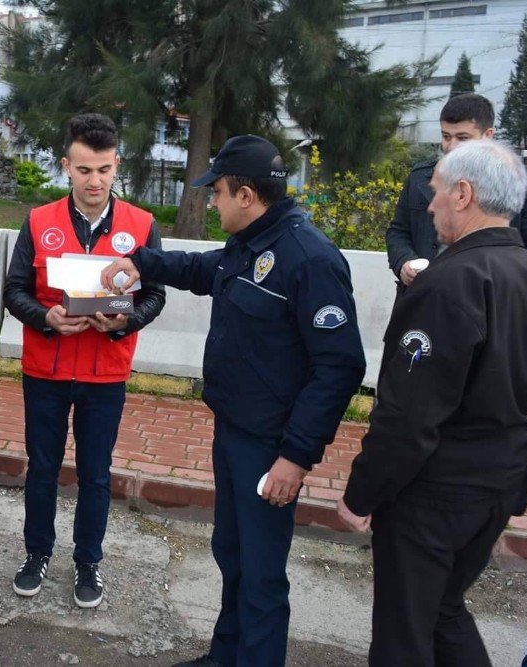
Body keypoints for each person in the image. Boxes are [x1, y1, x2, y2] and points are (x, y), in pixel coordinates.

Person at [102, 135, 366, 666]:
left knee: (263, 574)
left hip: (272, 447)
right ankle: (227, 656)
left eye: (217, 192)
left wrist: (295, 457)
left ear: (246, 195)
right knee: (233, 555)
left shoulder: (309, 258)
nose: (211, 202)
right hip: (235, 430)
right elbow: (205, 271)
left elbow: (341, 367)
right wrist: (141, 262)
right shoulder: (252, 242)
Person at [338, 140, 527, 667]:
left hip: (436, 491)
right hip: (499, 479)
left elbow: (409, 416)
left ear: (463, 195)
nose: (429, 207)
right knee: (444, 609)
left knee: (404, 631)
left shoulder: (448, 283)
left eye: (437, 193)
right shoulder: (525, 271)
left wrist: (362, 492)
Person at [3, 113, 166, 609]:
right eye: (83, 170)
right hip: (46, 370)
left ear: (117, 166)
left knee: (96, 472)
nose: (94, 181)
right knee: (42, 467)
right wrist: (46, 317)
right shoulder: (38, 221)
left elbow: (155, 295)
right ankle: (36, 553)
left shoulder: (141, 225)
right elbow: (12, 292)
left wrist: (127, 322)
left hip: (105, 372)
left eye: (104, 170)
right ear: (65, 167)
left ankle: (88, 561)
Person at [386, 93, 527, 292]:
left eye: (463, 138)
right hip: (421, 296)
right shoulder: (419, 177)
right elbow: (398, 231)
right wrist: (404, 262)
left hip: (489, 301)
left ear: (488, 135)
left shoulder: (520, 184)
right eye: (446, 136)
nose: (451, 146)